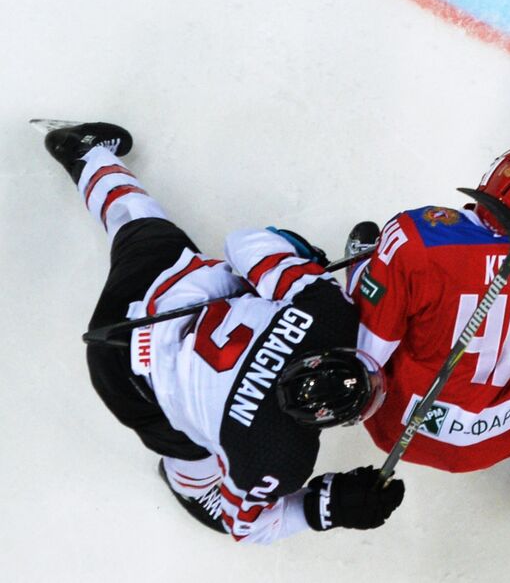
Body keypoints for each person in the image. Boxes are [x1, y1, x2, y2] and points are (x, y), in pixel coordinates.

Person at [43, 120, 405, 543]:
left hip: (151, 301)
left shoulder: (324, 313)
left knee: (137, 220)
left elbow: (246, 243)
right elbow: (244, 527)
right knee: (189, 448)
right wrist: (327, 508)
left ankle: (84, 152)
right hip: (125, 379)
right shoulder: (274, 457)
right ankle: (189, 485)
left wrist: (299, 263)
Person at [349, 147, 510, 519]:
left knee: (382, 300)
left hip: (397, 425)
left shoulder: (415, 239)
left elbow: (371, 348)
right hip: (497, 436)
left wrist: (378, 266)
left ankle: (364, 266)